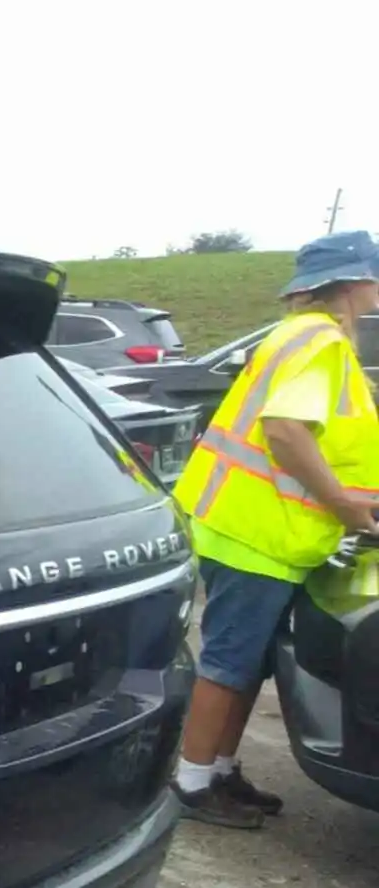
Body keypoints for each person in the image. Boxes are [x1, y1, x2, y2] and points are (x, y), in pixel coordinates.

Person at [168, 231, 379, 827]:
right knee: (230, 662)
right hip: (257, 532)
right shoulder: (320, 342)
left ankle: (221, 770)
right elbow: (286, 431)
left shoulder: (310, 337)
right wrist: (342, 504)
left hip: (266, 532)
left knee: (248, 663)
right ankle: (190, 784)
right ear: (354, 281)